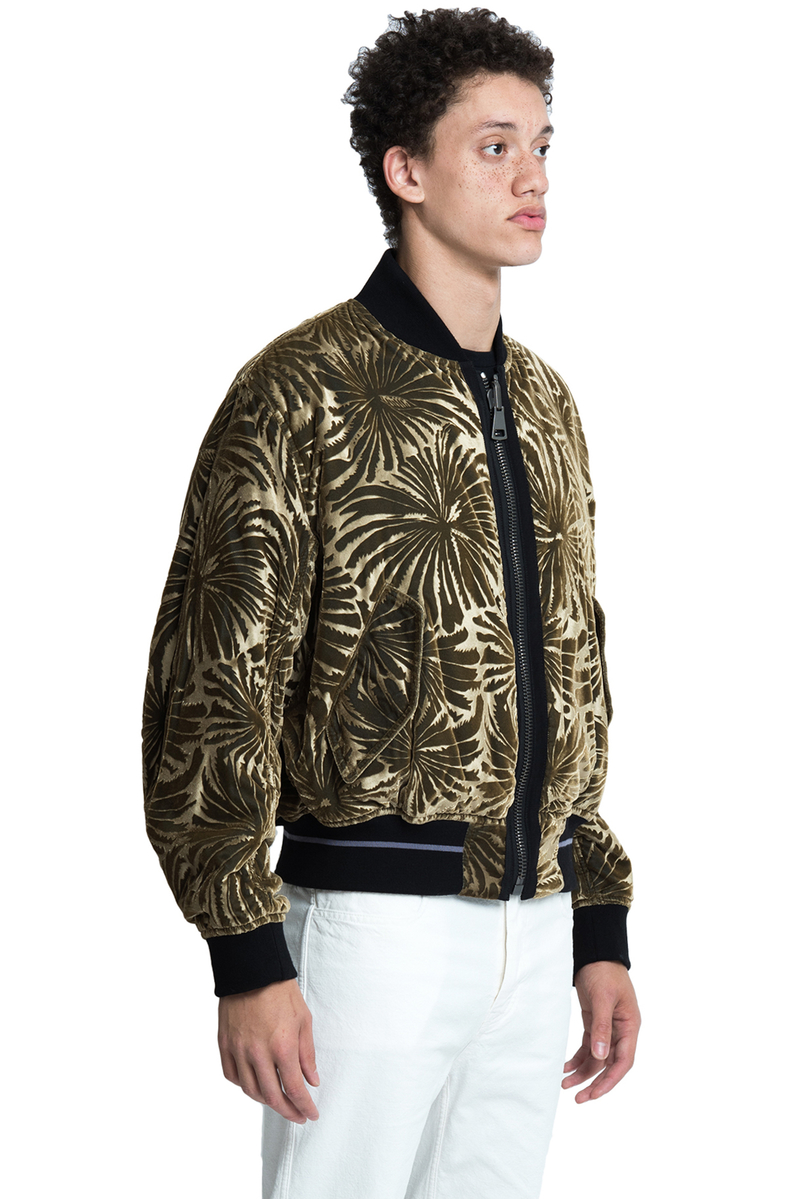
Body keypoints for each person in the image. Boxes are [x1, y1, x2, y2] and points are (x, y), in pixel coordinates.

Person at [143, 8, 641, 1197]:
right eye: (493, 147)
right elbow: (215, 676)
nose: (531, 178)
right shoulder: (301, 389)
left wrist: (597, 922)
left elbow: (574, 669)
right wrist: (245, 951)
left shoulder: (545, 402)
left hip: (534, 931)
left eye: (542, 146)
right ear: (405, 171)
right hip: (370, 927)